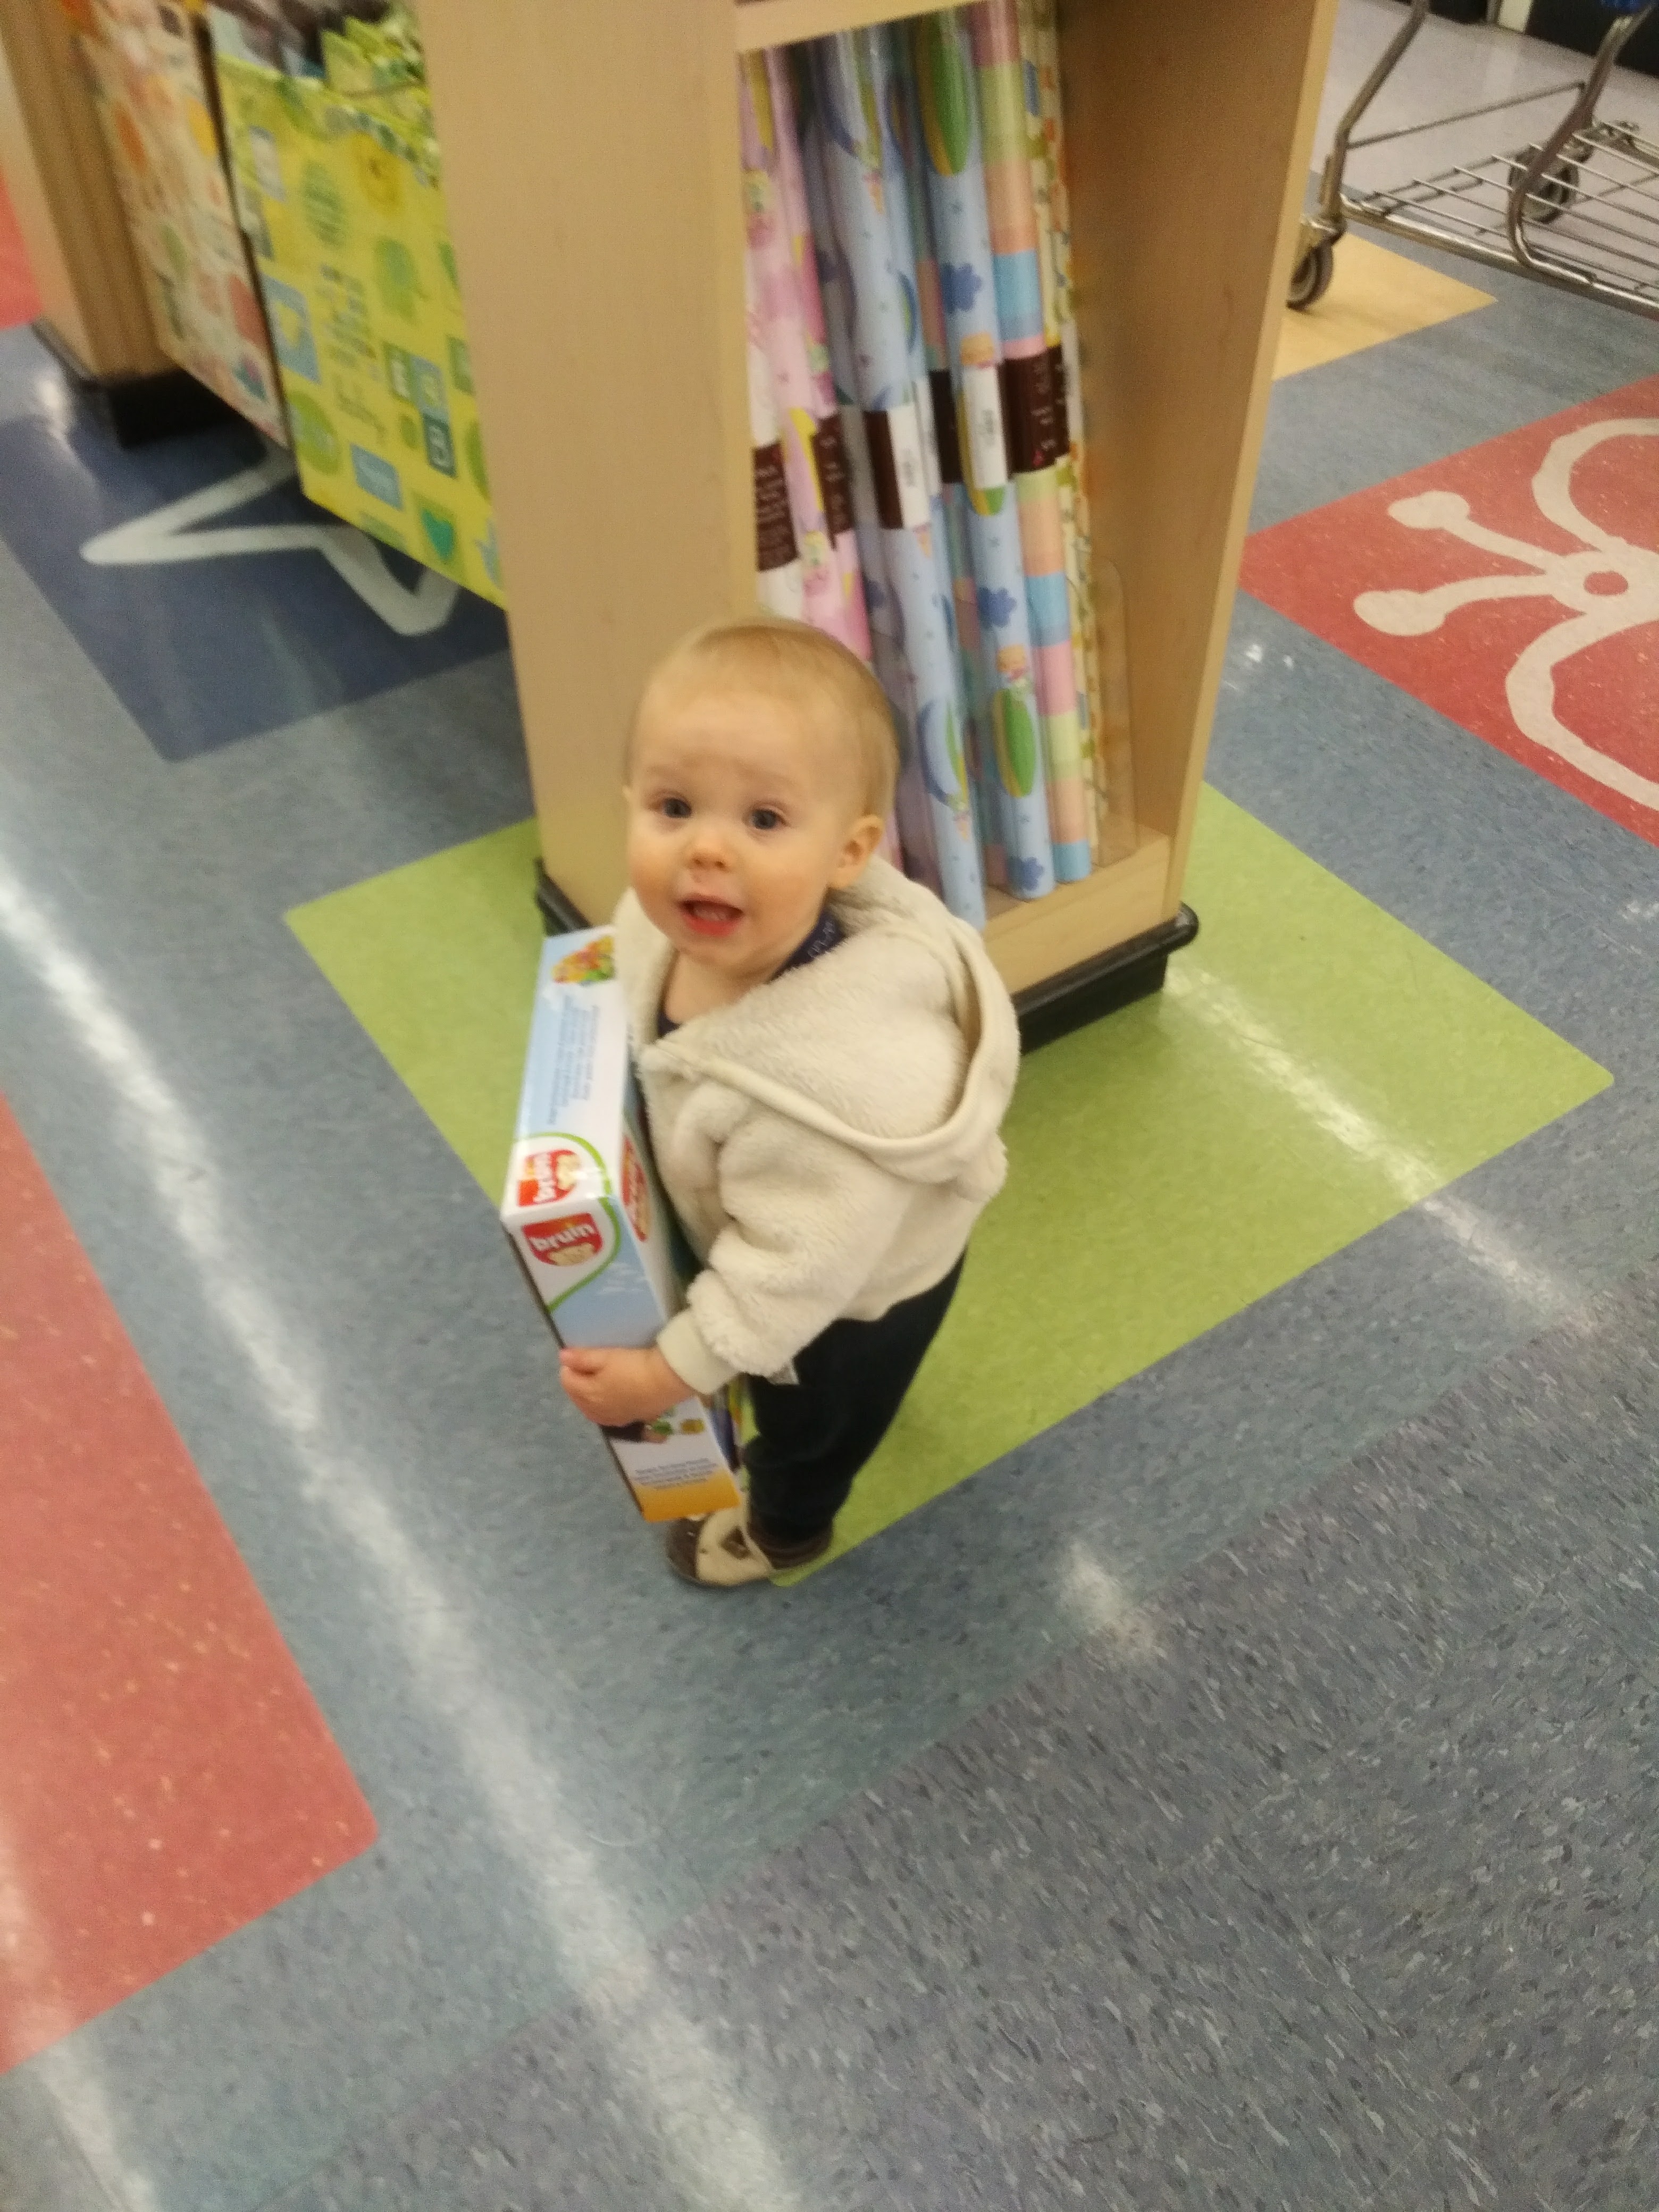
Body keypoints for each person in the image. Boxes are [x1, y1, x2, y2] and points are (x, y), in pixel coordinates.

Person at [559, 614, 1019, 1587]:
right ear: (630, 803)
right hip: (778, 1223)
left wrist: (666, 1374)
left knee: (813, 1424)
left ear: (849, 853)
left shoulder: (829, 1094)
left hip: (856, 1293)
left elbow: (785, 1280)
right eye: (674, 806)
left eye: (763, 820)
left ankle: (786, 1529)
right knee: (808, 1381)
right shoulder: (659, 932)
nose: (706, 849)